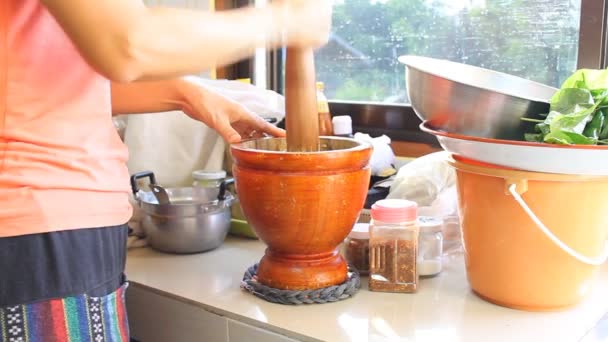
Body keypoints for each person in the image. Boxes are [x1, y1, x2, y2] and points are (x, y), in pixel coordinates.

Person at [0, 0, 331, 340]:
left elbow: (51, 76)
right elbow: (128, 43)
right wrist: (286, 21)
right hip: (36, 226)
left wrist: (186, 95)